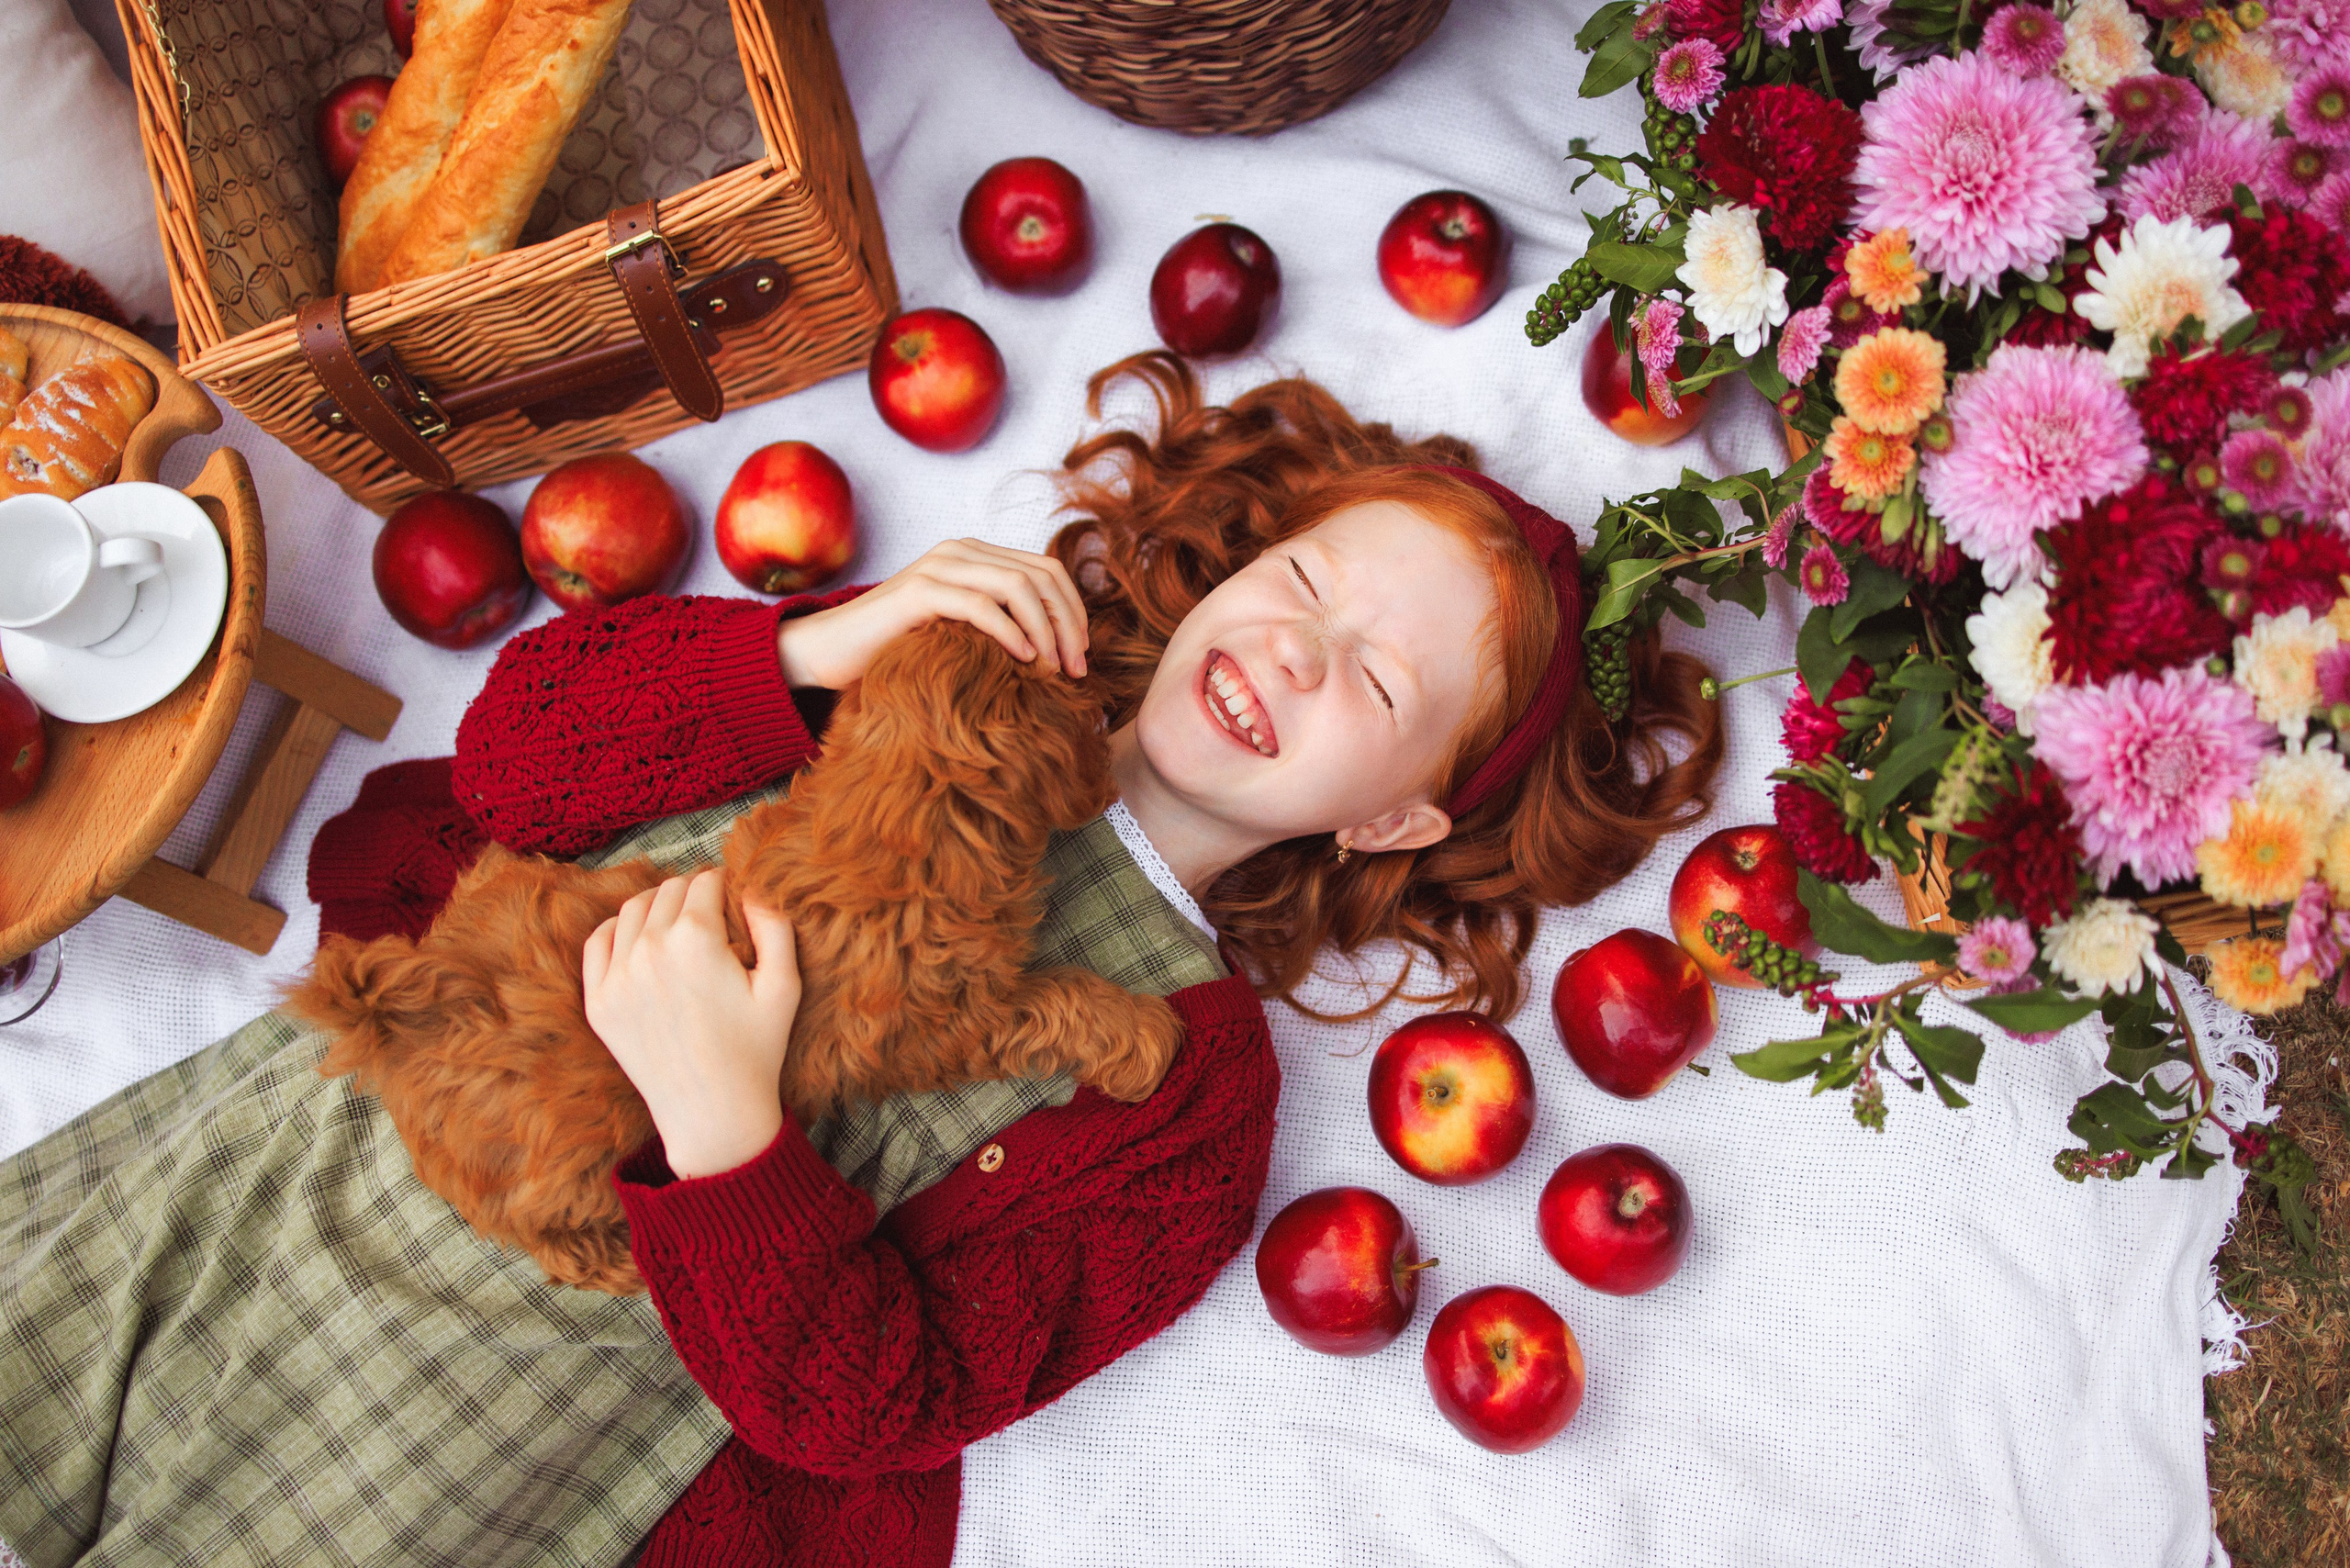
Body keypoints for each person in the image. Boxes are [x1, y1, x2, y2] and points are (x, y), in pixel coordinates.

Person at [0, 353, 1720, 1567]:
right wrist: (811, 652)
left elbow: (878, 1402)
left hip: (482, 1417)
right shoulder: (939, 657)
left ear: (1398, 825)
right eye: (1305, 580)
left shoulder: (1186, 1101)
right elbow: (523, 763)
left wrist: (728, 1128)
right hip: (294, 1157)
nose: (1295, 648)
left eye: (1378, 684)